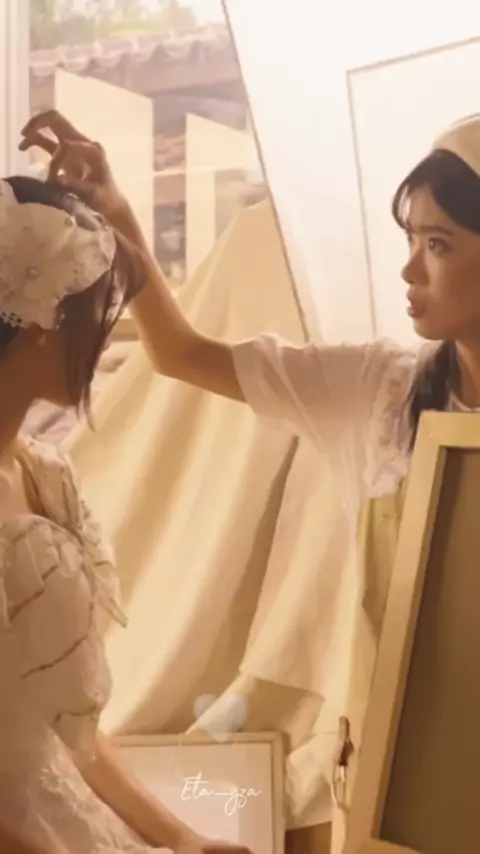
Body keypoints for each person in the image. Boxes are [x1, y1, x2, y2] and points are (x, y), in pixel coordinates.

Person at [21, 110, 480, 852]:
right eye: (409, 240)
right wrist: (118, 210)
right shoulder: (379, 393)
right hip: (399, 781)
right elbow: (181, 352)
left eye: (438, 244)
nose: (409, 270)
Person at [0, 171, 254, 854]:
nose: (106, 334)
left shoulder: (43, 473)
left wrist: (184, 837)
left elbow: (61, 729)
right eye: (93, 311)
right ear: (41, 321)